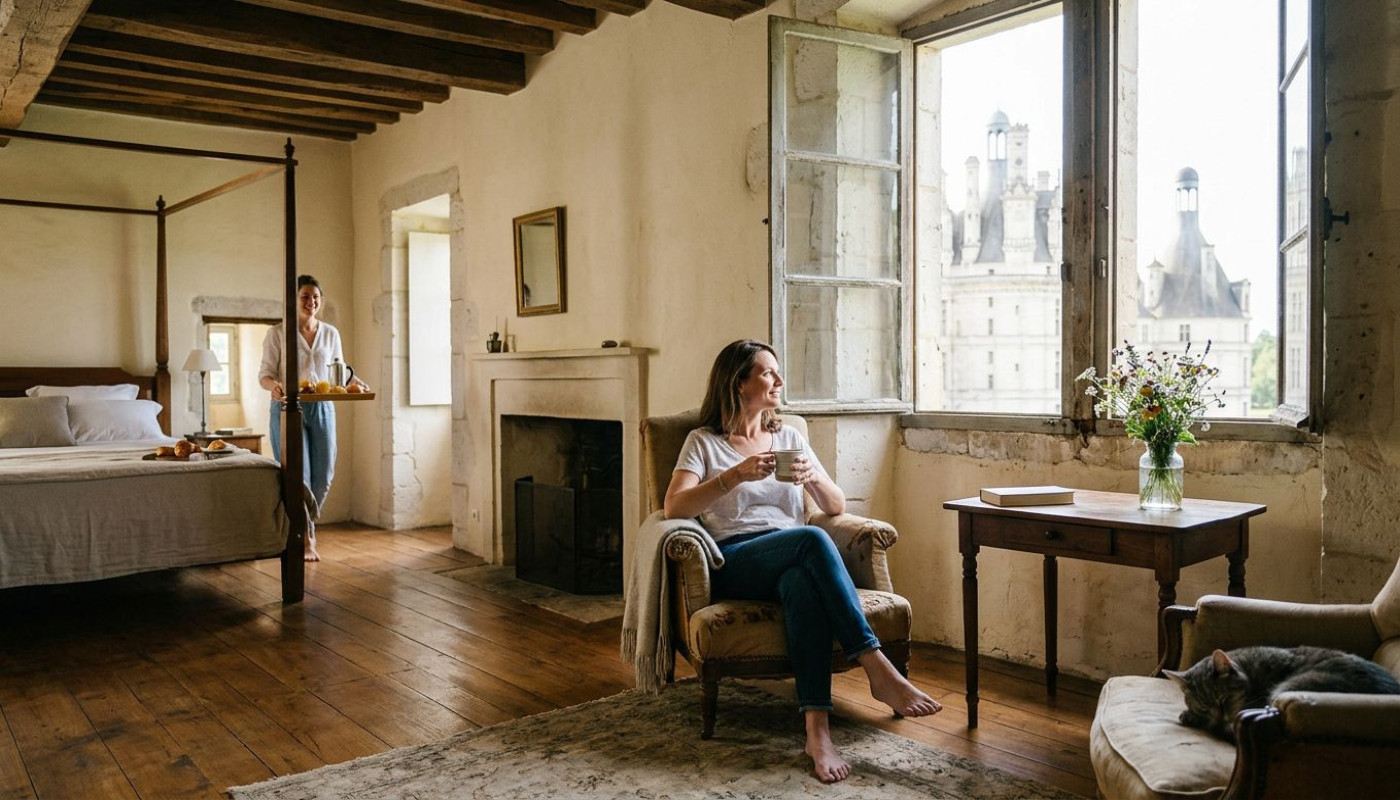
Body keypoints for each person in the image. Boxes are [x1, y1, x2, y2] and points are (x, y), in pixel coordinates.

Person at [663, 339, 941, 783]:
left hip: (792, 553)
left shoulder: (789, 437)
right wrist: (735, 475)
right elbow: (674, 507)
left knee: (800, 584)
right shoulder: (704, 442)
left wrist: (812, 479)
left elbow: (834, 505)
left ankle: (818, 733)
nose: (779, 380)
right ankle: (875, 664)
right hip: (735, 558)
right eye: (768, 373)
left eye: (777, 372)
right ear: (738, 383)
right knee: (809, 540)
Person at [258, 274, 368, 561]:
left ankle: (305, 526)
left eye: (316, 296)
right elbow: (265, 374)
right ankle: (306, 537)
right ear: (294, 300)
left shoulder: (330, 333)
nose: (311, 301)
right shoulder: (278, 333)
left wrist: (358, 382)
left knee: (324, 475)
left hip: (323, 406)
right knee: (299, 477)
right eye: (305, 296)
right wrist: (274, 387)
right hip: (287, 407)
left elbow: (339, 371)